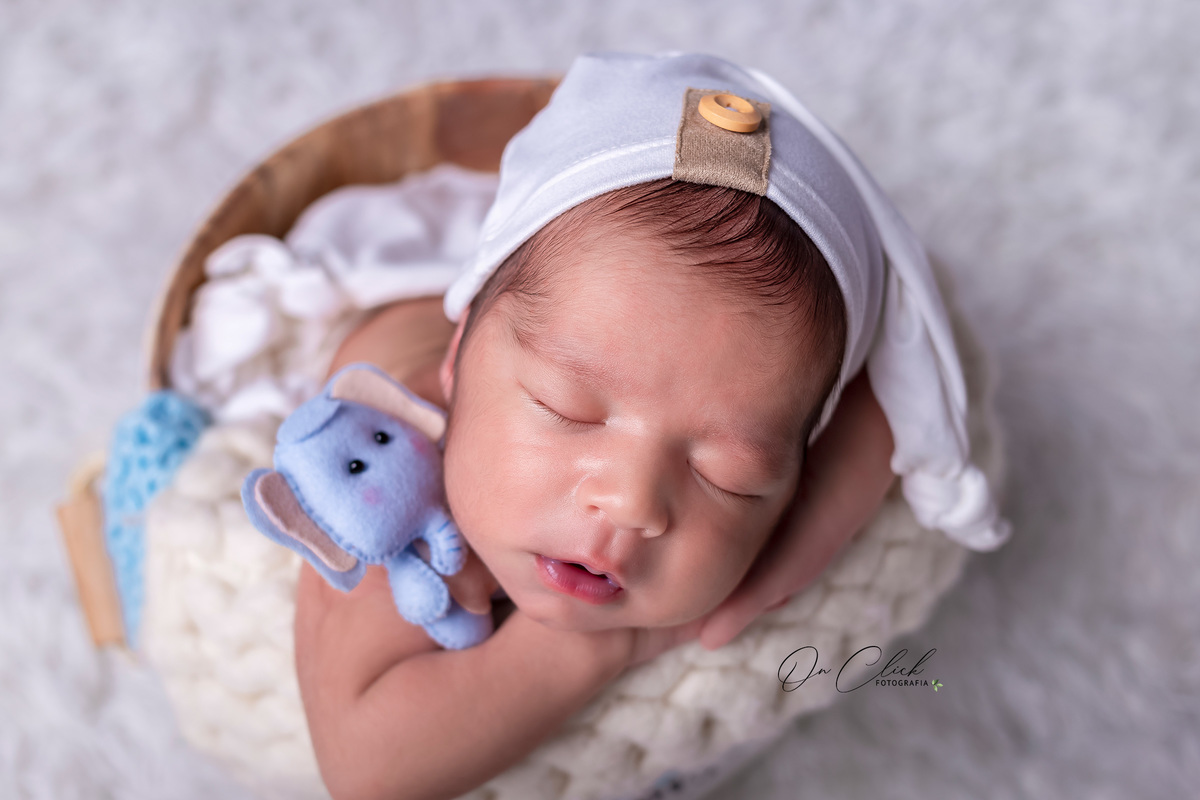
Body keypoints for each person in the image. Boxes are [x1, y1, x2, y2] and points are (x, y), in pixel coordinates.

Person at [292, 52, 1010, 800]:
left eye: (727, 474)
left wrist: (801, 547)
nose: (632, 501)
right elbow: (367, 768)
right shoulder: (383, 457)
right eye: (566, 409)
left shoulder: (747, 386)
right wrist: (613, 646)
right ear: (454, 366)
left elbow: (895, 405)